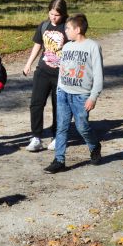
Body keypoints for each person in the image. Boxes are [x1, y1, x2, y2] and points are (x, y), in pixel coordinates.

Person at [44, 14, 104, 174]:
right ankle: (59, 160)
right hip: (63, 93)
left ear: (77, 29)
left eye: (68, 28)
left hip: (81, 96)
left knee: (82, 127)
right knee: (61, 127)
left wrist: (93, 97)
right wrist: (59, 88)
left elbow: (98, 74)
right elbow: (62, 69)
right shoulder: (67, 47)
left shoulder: (93, 46)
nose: (65, 31)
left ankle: (94, 146)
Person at [22, 0, 68, 152]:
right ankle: (36, 137)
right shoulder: (44, 26)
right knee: (36, 104)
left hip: (61, 74)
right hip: (42, 71)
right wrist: (28, 63)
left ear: (63, 14)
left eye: (57, 15)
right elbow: (38, 45)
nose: (53, 17)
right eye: (51, 13)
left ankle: (57, 136)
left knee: (58, 106)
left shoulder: (68, 27)